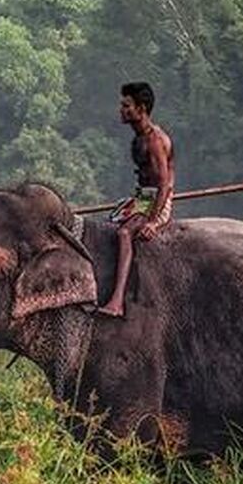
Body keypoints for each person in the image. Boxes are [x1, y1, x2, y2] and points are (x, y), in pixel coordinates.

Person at [94, 81, 174, 318]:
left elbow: (164, 184)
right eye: (122, 105)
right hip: (142, 199)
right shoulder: (138, 138)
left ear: (141, 108)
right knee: (110, 225)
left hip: (157, 202)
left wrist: (152, 221)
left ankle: (117, 301)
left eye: (127, 106)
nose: (122, 110)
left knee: (124, 233)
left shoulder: (155, 140)